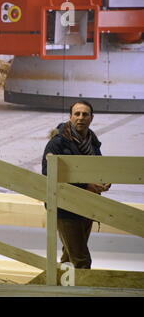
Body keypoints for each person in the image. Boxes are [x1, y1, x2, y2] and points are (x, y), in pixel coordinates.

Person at [42, 100, 111, 269]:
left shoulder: (92, 141)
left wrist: (105, 180)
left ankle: (61, 290)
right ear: (70, 117)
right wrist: (86, 186)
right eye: (77, 114)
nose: (81, 118)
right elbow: (48, 174)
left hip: (86, 206)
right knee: (81, 260)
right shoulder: (57, 142)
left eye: (85, 114)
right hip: (65, 208)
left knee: (69, 255)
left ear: (91, 118)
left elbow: (99, 167)